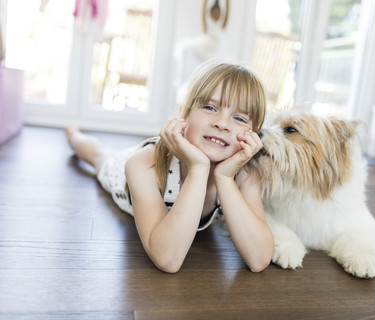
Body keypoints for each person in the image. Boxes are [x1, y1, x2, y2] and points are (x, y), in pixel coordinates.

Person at [65, 61, 274, 273]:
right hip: (127, 171)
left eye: (239, 118)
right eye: (210, 107)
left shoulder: (246, 172)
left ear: (253, 134)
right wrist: (198, 169)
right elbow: (167, 259)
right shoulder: (143, 164)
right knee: (99, 155)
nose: (222, 123)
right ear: (185, 113)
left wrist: (225, 178)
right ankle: (74, 134)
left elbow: (258, 259)